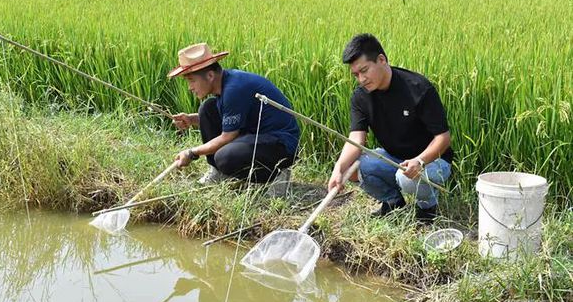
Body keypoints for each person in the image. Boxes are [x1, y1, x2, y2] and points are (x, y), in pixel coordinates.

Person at [328, 34, 453, 223]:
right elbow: (356, 139)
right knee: (352, 169)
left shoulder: (418, 88)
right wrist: (338, 169)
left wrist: (419, 161)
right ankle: (394, 204)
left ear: (381, 60)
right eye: (356, 75)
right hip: (396, 159)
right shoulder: (361, 97)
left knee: (407, 179)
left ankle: (427, 207)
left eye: (364, 70)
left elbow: (443, 138)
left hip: (432, 161)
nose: (361, 79)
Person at [168, 43, 300, 193]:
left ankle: (277, 173)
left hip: (280, 144)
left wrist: (192, 153)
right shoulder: (225, 84)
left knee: (225, 157)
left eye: (192, 80)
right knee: (207, 109)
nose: (190, 87)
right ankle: (219, 172)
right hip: (257, 136)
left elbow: (228, 136)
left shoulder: (234, 89)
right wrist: (192, 120)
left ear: (210, 75)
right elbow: (229, 117)